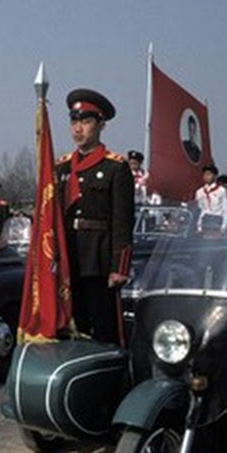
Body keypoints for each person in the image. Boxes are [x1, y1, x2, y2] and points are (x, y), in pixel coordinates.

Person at [56, 89, 135, 345]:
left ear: (101, 125)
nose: (78, 128)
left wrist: (119, 267)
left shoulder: (115, 167)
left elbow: (123, 220)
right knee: (73, 327)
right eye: (74, 121)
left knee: (104, 327)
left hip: (98, 259)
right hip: (69, 255)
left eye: (86, 121)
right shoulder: (61, 167)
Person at [194, 164, 227, 234]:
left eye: (209, 174)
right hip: (205, 222)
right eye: (205, 174)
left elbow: (225, 210)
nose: (206, 177)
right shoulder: (199, 192)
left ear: (215, 176)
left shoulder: (221, 190)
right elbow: (198, 210)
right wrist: (199, 227)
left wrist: (224, 226)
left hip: (217, 220)